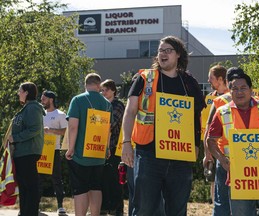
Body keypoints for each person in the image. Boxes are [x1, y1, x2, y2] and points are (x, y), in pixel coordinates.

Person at [121, 35, 205, 215]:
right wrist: (126, 143)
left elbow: (196, 117)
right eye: (160, 50)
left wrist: (196, 146)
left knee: (177, 210)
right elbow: (130, 111)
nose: (163, 54)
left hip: (180, 156)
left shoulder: (189, 82)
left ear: (178, 55)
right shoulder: (144, 78)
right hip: (148, 154)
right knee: (144, 208)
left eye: (168, 50)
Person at [207, 73, 259, 215]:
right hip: (238, 177)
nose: (239, 92)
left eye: (243, 88)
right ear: (230, 92)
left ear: (251, 90)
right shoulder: (222, 112)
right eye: (234, 88)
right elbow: (211, 140)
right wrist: (222, 160)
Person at [65, 73, 113, 216]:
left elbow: (73, 127)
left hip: (81, 154)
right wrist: (107, 148)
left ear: (85, 84)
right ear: (99, 85)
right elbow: (108, 130)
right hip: (98, 153)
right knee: (96, 187)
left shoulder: (78, 100)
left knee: (80, 189)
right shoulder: (107, 103)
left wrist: (71, 148)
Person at [203, 67, 244, 216]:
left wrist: (208, 155)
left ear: (226, 81)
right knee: (246, 201)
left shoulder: (219, 101)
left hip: (224, 158)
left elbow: (208, 132)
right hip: (249, 157)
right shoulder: (256, 100)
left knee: (222, 203)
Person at [8, 82, 45, 216]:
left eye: (20, 91)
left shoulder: (33, 108)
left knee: (30, 186)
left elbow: (34, 129)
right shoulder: (26, 108)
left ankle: (30, 213)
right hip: (21, 153)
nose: (18, 93)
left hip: (29, 152)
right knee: (24, 187)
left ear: (27, 93)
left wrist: (15, 138)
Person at [203, 65, 228, 204]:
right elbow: (207, 128)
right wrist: (207, 153)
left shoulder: (230, 97)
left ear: (220, 79)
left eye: (211, 78)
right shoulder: (212, 98)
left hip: (227, 151)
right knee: (215, 186)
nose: (208, 81)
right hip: (216, 150)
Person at [40, 90, 67, 216]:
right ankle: (36, 205)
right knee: (38, 179)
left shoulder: (60, 114)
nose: (42, 101)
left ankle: (61, 206)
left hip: (54, 150)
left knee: (57, 179)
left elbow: (65, 132)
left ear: (51, 99)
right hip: (40, 150)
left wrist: (51, 130)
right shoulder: (40, 114)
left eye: (44, 99)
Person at [100, 79, 125, 216]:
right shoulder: (102, 105)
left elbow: (110, 124)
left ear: (113, 90)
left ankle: (117, 210)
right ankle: (104, 207)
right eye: (102, 90)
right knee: (102, 179)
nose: (104, 92)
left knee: (115, 180)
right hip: (100, 147)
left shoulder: (118, 105)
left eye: (106, 90)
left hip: (114, 148)